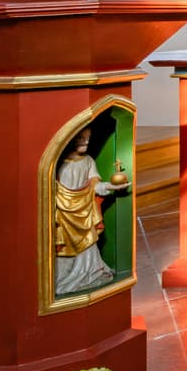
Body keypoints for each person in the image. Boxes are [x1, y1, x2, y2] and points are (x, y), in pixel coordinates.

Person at [52, 127, 129, 298]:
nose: (86, 142)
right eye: (81, 137)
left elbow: (96, 187)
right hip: (64, 215)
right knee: (63, 247)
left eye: (88, 138)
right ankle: (63, 278)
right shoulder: (57, 163)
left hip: (85, 213)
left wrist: (112, 186)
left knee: (88, 243)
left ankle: (90, 271)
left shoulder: (88, 161)